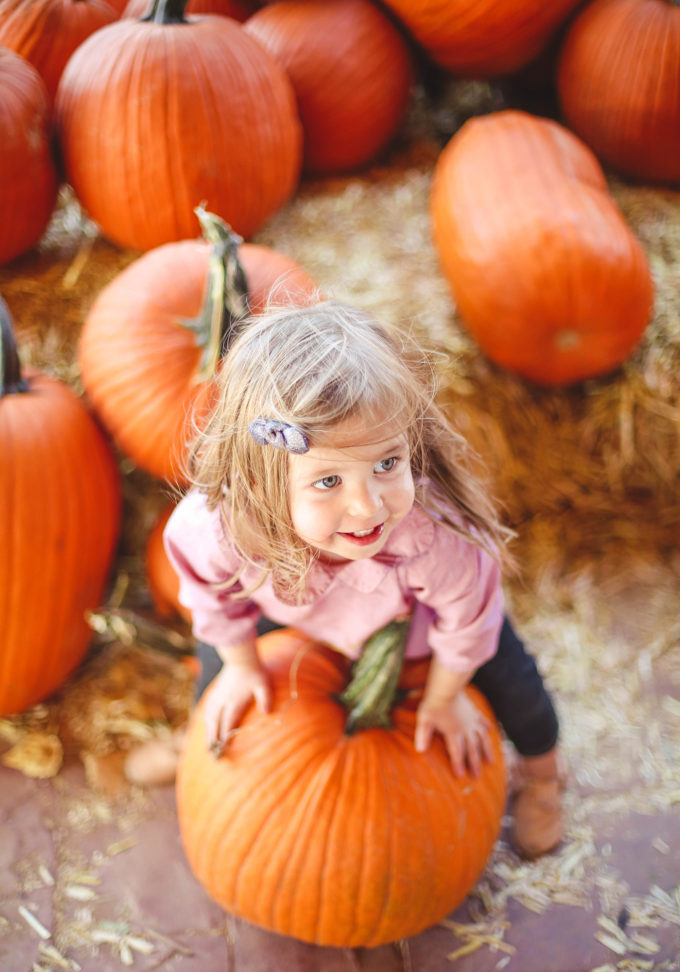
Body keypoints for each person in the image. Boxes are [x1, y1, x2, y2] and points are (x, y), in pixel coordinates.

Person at [125, 300, 565, 859]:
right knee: (217, 674)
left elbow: (468, 620)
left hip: (422, 627)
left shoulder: (433, 535)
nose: (368, 507)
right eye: (329, 479)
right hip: (288, 606)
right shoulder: (219, 527)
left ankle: (545, 773)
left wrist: (443, 698)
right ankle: (199, 735)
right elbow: (210, 596)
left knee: (512, 679)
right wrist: (239, 666)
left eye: (387, 463)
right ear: (261, 481)